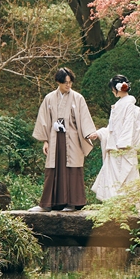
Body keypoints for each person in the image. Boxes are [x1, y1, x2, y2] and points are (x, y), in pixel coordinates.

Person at [31, 67, 97, 212]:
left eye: (70, 82)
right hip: (55, 138)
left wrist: (89, 134)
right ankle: (48, 204)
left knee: (72, 169)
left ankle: (72, 203)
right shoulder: (49, 98)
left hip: (72, 138)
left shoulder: (77, 98)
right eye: (65, 83)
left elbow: (84, 118)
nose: (68, 85)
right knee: (53, 170)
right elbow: (44, 120)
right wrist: (45, 141)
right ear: (58, 82)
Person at [92, 74, 140, 201]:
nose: (112, 92)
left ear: (117, 88)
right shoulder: (119, 105)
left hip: (123, 148)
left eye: (113, 89)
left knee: (126, 176)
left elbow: (129, 127)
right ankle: (115, 206)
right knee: (114, 177)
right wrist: (98, 133)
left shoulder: (131, 107)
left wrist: (123, 145)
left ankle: (126, 205)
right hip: (117, 146)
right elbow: (111, 128)